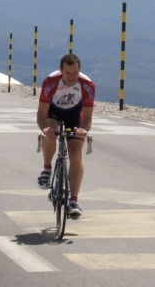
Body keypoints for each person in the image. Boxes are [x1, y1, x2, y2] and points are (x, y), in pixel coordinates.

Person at [36, 53, 96, 218]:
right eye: (68, 73)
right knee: (50, 130)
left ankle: (74, 201)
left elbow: (88, 117)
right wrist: (45, 130)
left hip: (75, 115)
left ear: (79, 71)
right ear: (61, 71)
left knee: (76, 151)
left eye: (75, 73)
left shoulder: (88, 85)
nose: (71, 77)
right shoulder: (50, 82)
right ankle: (47, 169)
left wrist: (83, 130)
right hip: (54, 113)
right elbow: (41, 114)